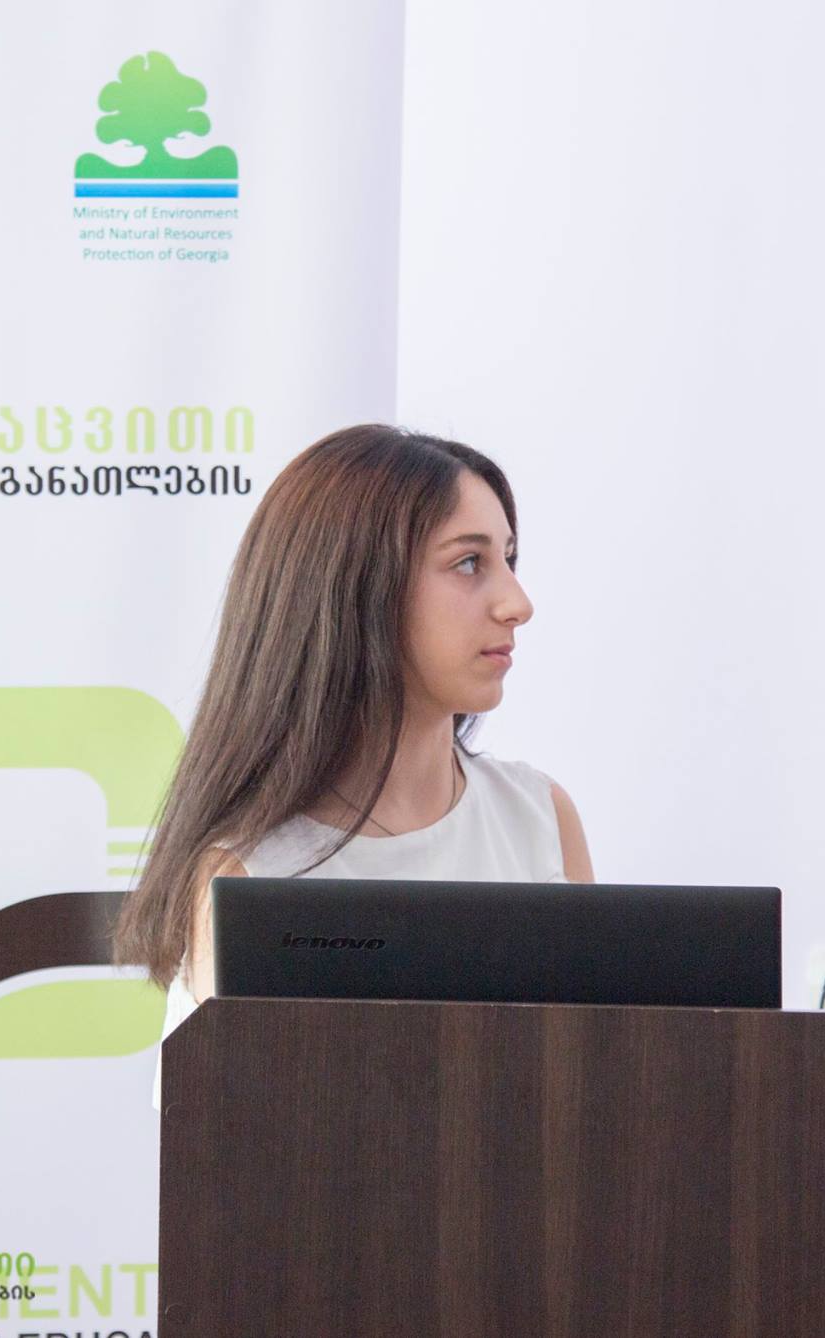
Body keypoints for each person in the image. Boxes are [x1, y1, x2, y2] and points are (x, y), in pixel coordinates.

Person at [115, 424, 594, 1106]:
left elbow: (589, 1093)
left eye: (510, 559)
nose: (517, 603)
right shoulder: (252, 873)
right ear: (356, 586)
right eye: (469, 563)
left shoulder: (539, 819)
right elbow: (241, 1149)